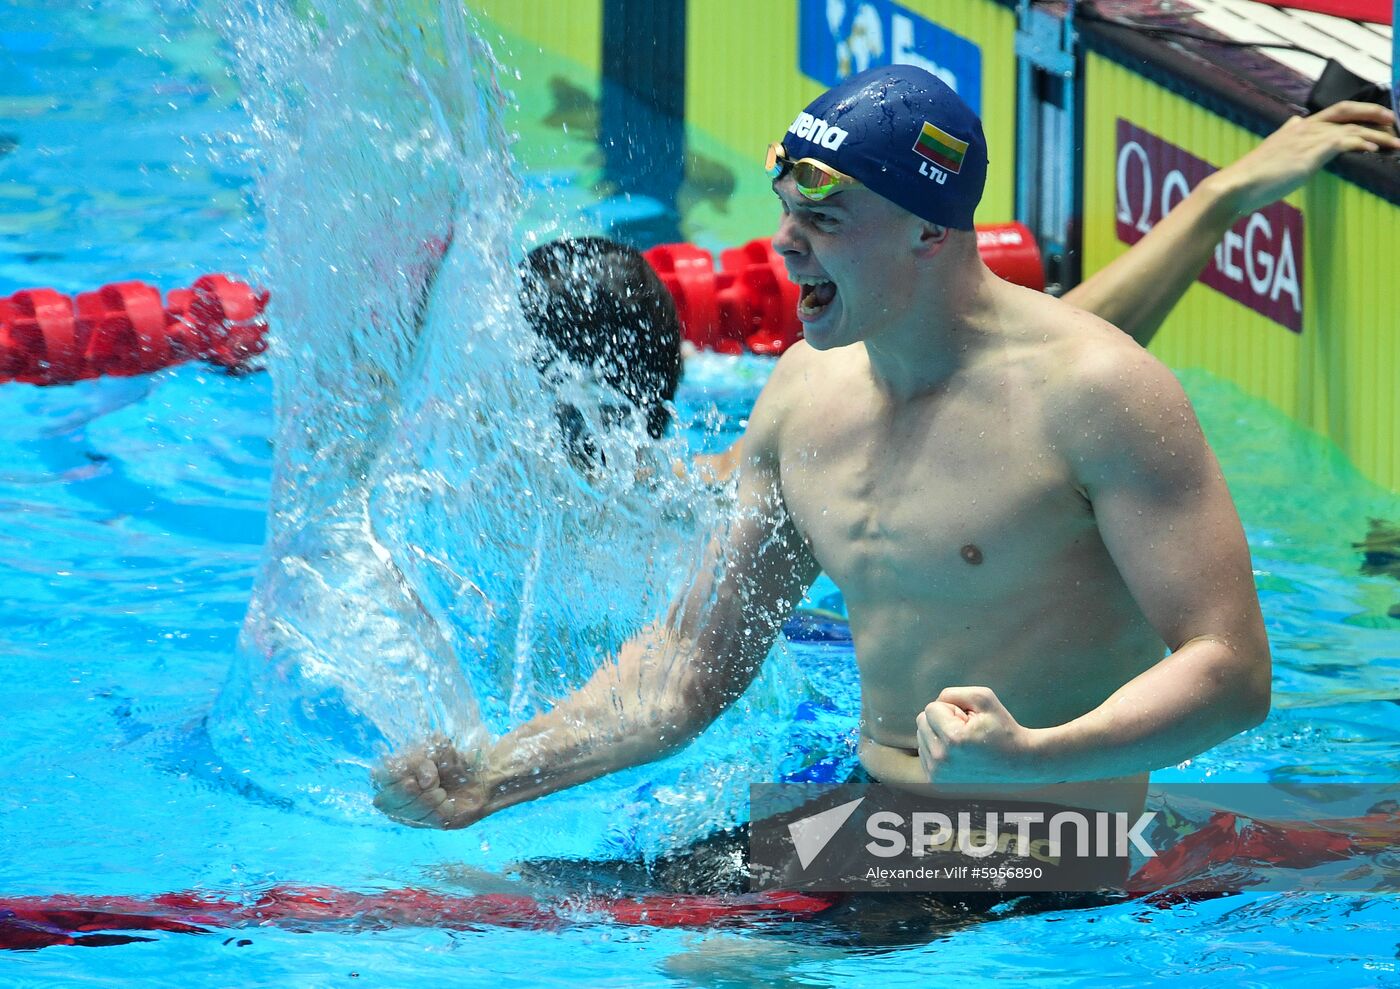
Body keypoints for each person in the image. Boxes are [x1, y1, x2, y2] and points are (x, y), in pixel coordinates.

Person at [372, 63, 1278, 851]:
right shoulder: (808, 391)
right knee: (500, 899)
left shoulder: (1100, 395)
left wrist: (1041, 752)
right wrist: (495, 777)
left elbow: (1232, 670)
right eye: (787, 212)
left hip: (1050, 841)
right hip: (881, 822)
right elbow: (687, 667)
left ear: (930, 231)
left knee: (700, 962)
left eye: (827, 218)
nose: (785, 244)